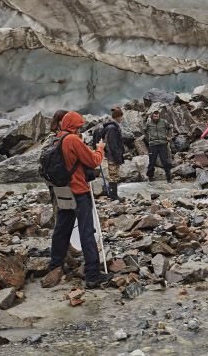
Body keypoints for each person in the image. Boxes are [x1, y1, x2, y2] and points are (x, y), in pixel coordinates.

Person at [45, 111, 112, 289]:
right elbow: (93, 161)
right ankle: (92, 275)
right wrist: (100, 149)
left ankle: (55, 265)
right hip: (78, 190)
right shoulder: (73, 140)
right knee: (86, 231)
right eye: (79, 126)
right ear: (74, 126)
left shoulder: (57, 138)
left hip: (62, 189)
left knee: (62, 228)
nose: (80, 129)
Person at [97, 107, 125, 200]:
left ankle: (113, 194)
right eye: (121, 116)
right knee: (114, 175)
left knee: (114, 175)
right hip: (112, 156)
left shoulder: (110, 126)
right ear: (117, 117)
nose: (122, 118)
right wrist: (117, 156)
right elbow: (112, 144)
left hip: (111, 155)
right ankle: (113, 196)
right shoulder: (112, 128)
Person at [144, 109, 174, 183]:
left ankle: (169, 178)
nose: (156, 117)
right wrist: (148, 139)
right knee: (152, 162)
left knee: (165, 161)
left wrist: (169, 136)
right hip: (153, 145)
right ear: (152, 116)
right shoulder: (149, 123)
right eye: (155, 116)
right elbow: (144, 130)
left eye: (157, 116)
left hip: (163, 144)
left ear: (159, 116)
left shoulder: (164, 122)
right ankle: (150, 177)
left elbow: (170, 128)